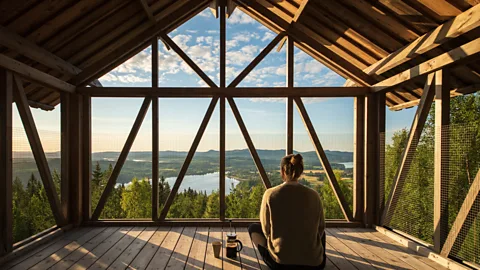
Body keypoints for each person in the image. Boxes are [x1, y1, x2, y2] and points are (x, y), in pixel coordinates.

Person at [248, 154, 326, 269]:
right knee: (322, 234)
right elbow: (321, 228)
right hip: (315, 265)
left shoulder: (270, 194)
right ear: (301, 171)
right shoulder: (314, 195)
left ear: (282, 171)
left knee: (253, 228)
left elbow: (266, 230)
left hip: (281, 264)